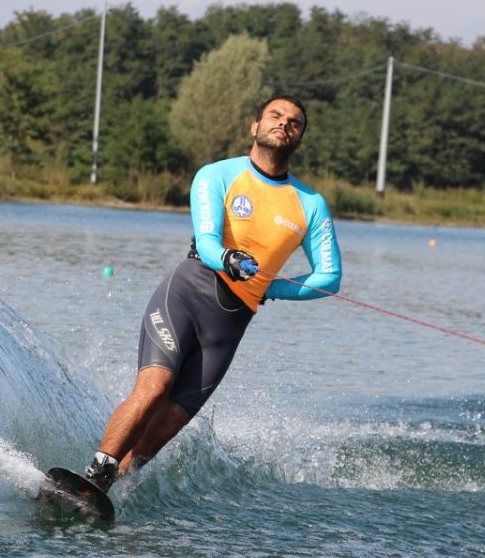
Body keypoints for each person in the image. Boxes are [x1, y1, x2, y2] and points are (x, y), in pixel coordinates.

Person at [83, 95, 342, 492]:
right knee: (154, 387)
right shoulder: (217, 175)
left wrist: (272, 287)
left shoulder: (310, 204)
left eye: (294, 123)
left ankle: (109, 488)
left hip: (230, 323)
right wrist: (227, 258)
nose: (284, 124)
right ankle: (96, 471)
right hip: (188, 292)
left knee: (169, 422)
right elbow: (205, 241)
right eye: (275, 116)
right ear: (255, 127)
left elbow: (330, 277)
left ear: (298, 139)